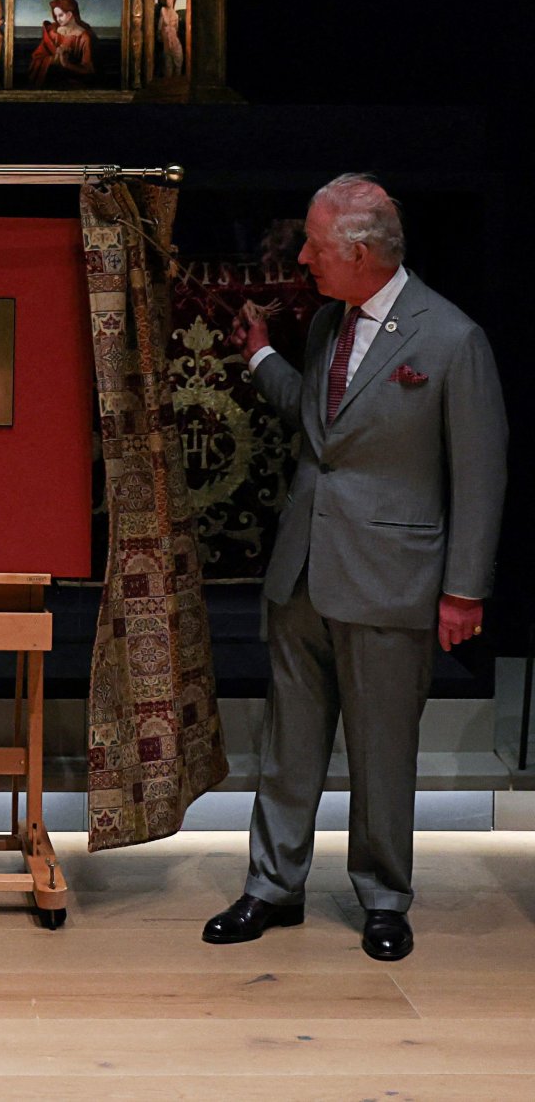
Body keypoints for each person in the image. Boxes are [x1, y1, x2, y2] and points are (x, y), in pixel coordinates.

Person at [203, 175, 507, 963]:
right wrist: (260, 354)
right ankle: (273, 885)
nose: (302, 258)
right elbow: (320, 420)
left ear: (361, 253)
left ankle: (383, 896)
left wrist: (464, 590)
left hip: (390, 578)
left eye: (313, 245)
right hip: (304, 570)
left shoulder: (452, 339)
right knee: (288, 745)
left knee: (382, 751)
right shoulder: (326, 324)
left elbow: (480, 473)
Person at [28, 0, 98, 87]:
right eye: (56, 16)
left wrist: (66, 64)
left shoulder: (84, 37)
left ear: (69, 14)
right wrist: (54, 59)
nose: (58, 19)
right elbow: (37, 57)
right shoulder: (53, 33)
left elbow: (88, 69)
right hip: (52, 79)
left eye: (60, 15)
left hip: (75, 82)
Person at [157, 0, 185, 79]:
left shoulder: (176, 16)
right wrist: (163, 35)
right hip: (167, 48)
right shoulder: (163, 10)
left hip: (176, 47)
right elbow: (159, 31)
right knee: (168, 72)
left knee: (177, 71)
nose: (167, 0)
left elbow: (175, 31)